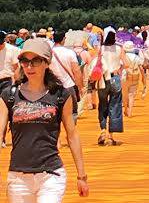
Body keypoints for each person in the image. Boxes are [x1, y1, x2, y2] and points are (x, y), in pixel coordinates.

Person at [0, 38, 89, 201]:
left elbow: (72, 135)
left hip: (51, 175)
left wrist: (81, 176)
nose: (29, 66)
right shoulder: (9, 96)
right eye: (24, 61)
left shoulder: (61, 95)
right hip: (18, 178)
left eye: (35, 61)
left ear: (47, 62)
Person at [92, 29, 126, 146]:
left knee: (102, 104)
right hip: (115, 78)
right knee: (115, 105)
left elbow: (95, 62)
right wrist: (119, 70)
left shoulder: (100, 49)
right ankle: (111, 136)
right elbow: (125, 63)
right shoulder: (119, 48)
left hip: (102, 79)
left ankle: (103, 130)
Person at [49, 31, 83, 127]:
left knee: (53, 113)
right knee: (72, 112)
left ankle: (57, 139)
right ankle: (71, 134)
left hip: (53, 87)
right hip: (68, 86)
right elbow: (76, 70)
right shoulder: (70, 53)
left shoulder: (49, 53)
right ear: (64, 39)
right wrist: (80, 86)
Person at [122, 41, 142, 118]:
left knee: (124, 94)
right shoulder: (137, 57)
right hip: (135, 77)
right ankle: (130, 112)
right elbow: (141, 68)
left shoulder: (123, 57)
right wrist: (144, 79)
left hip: (125, 77)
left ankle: (126, 109)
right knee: (131, 95)